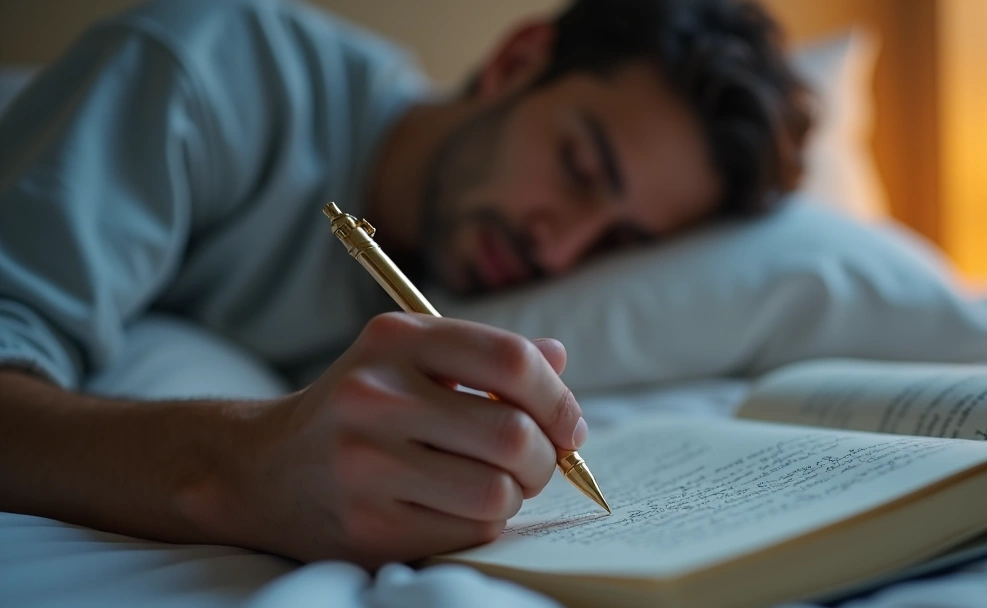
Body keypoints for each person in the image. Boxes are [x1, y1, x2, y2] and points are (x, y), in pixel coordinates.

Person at [0, 0, 810, 569]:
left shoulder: (510, 274)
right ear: (516, 61)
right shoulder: (208, 73)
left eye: (620, 241)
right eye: (579, 168)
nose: (559, 250)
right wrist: (232, 471)